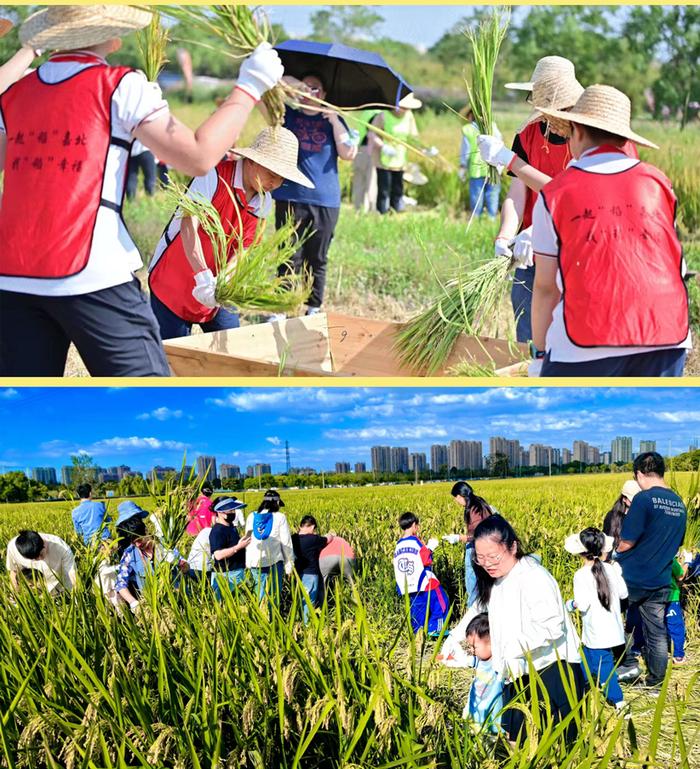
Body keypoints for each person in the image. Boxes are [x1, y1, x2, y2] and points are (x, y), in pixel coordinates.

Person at [0, 5, 284, 376]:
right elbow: (198, 158)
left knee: (27, 397)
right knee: (147, 390)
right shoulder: (120, 85)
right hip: (89, 271)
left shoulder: (17, 93)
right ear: (109, 34)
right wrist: (249, 87)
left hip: (13, 275)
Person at [528, 85, 691, 377]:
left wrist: (539, 354)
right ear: (624, 138)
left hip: (586, 344)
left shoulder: (556, 193)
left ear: (576, 131)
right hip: (668, 339)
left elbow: (545, 288)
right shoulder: (658, 183)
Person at [149, 127, 314, 340]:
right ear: (253, 161)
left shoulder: (263, 201)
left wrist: (225, 279)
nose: (274, 183)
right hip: (175, 277)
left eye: (280, 178)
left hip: (217, 286)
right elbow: (189, 225)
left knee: (232, 344)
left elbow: (245, 247)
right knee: (174, 353)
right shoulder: (213, 176)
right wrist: (202, 274)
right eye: (271, 174)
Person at [478, 57, 586, 342]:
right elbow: (517, 193)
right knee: (527, 325)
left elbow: (568, 194)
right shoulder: (527, 135)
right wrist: (505, 235)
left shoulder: (585, 138)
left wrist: (509, 160)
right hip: (530, 251)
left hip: (572, 248)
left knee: (568, 329)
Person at [451, 515, 582, 743]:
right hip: (518, 674)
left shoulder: (533, 577)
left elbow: (552, 627)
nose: (487, 563)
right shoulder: (498, 580)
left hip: (550, 672)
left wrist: (509, 647)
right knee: (516, 740)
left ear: (512, 546)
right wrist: (454, 641)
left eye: (493, 556)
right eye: (480, 558)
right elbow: (475, 610)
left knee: (549, 745)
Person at [271, 72, 357, 318]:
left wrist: (334, 120)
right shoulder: (288, 116)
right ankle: (281, 307)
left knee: (316, 257)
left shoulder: (334, 121)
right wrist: (297, 87)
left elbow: (349, 153)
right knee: (288, 254)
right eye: (306, 88)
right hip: (291, 196)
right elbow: (275, 83)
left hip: (325, 200)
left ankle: (313, 306)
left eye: (316, 89)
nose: (311, 93)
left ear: (326, 95)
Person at [615, 452, 687, 688]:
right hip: (661, 579)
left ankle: (626, 666)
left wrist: (614, 550)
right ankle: (655, 684)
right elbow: (677, 544)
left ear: (639, 474)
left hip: (631, 577)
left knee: (616, 620)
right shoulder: (679, 504)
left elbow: (627, 540)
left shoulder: (644, 499)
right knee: (656, 633)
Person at [565, 528, 628, 710]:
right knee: (584, 658)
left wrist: (570, 604)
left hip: (596, 632)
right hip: (613, 629)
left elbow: (582, 605)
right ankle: (579, 685)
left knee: (604, 667)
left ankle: (619, 702)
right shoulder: (611, 568)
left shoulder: (580, 575)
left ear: (580, 551)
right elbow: (624, 593)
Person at [602, 479, 643, 665]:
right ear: (625, 499)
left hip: (634, 568)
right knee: (619, 610)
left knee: (634, 610)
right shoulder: (612, 517)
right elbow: (606, 544)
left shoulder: (641, 513)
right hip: (617, 569)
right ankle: (621, 651)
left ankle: (633, 647)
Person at [393, 512, 450, 636]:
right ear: (414, 525)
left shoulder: (398, 545)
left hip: (406, 585)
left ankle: (418, 635)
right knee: (441, 603)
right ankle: (435, 629)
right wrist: (430, 547)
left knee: (418, 611)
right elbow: (426, 560)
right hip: (424, 582)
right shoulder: (415, 541)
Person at [115, 518, 189, 613]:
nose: (138, 544)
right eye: (134, 542)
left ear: (146, 532)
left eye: (139, 539)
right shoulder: (129, 554)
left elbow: (186, 568)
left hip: (178, 601)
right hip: (153, 606)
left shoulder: (164, 544)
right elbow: (120, 583)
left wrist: (177, 562)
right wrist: (132, 602)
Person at [443, 481, 494, 606]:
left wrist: (459, 538)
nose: (456, 501)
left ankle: (473, 611)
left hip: (476, 547)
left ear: (461, 496)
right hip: (488, 546)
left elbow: (478, 533)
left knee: (472, 582)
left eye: (456, 498)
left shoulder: (473, 509)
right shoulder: (479, 502)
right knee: (484, 581)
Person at [370, 93, 423, 215]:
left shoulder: (409, 116)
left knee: (398, 188)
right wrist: (384, 146)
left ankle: (395, 211)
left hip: (400, 159)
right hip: (383, 160)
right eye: (403, 107)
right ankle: (382, 212)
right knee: (384, 188)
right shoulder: (383, 115)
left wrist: (423, 149)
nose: (405, 110)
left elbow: (414, 137)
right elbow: (372, 134)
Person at [244, 490, 294, 603]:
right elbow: (286, 542)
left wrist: (248, 562)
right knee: (274, 593)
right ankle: (273, 617)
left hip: (255, 562)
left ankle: (261, 616)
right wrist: (289, 564)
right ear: (276, 503)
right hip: (274, 561)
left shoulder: (251, 516)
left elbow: (247, 539)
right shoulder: (280, 517)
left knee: (259, 592)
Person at [462, 613, 504, 732]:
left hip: (492, 717)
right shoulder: (477, 660)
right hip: (475, 710)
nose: (472, 651)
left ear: (492, 644)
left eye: (474, 647)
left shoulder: (499, 663)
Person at [458, 108, 500, 219]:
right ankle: (492, 218)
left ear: (471, 115)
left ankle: (476, 218)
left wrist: (462, 166)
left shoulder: (468, 129)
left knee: (476, 196)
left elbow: (465, 151)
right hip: (493, 168)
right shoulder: (492, 126)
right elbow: (500, 145)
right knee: (492, 195)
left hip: (476, 169)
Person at [6, 530, 76, 594]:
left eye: (41, 554)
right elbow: (14, 571)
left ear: (44, 543)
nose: (39, 559)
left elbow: (72, 573)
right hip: (36, 592)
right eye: (34, 558)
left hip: (61, 588)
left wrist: (76, 596)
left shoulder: (61, 548)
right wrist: (15, 595)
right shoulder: (12, 548)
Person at [292, 515, 334, 623]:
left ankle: (298, 623)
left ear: (300, 526)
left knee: (300, 600)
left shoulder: (293, 538)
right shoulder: (313, 539)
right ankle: (307, 626)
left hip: (297, 574)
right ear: (312, 527)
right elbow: (328, 539)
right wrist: (331, 534)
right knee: (309, 602)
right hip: (310, 575)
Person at [209, 497, 251, 600]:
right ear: (220, 512)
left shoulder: (231, 527)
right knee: (223, 606)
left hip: (237, 572)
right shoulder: (217, 531)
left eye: (233, 510)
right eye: (230, 510)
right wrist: (238, 547)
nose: (233, 513)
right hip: (225, 575)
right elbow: (218, 555)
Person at [350, 108, 380, 212]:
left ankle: (358, 209)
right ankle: (371, 210)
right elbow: (372, 135)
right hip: (370, 150)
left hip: (359, 149)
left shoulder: (365, 112)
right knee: (371, 181)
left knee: (359, 181)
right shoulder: (379, 114)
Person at [603, 479, 642, 551]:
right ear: (624, 499)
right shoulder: (611, 516)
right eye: (632, 500)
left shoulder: (642, 516)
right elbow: (605, 539)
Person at [666, 555, 686, 665]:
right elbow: (680, 576)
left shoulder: (645, 555)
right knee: (675, 627)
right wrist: (686, 562)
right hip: (670, 597)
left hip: (651, 598)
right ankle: (678, 655)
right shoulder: (668, 556)